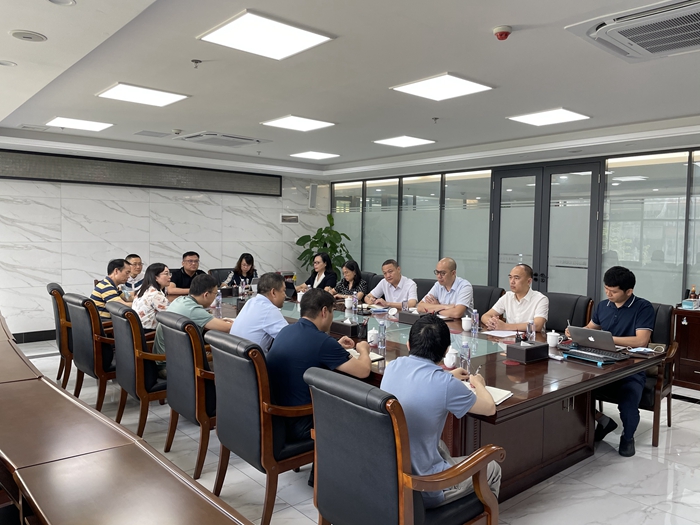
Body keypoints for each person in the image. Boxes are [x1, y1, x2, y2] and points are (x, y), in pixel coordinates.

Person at [380, 315, 501, 508]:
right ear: (446, 351)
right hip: (425, 487)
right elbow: (488, 408)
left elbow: (420, 378)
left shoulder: (393, 365)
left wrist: (447, 376)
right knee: (492, 467)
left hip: (390, 476)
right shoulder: (445, 384)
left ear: (409, 344)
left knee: (441, 446)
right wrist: (479, 384)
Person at [566, 266, 655, 457]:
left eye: (613, 291)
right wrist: (575, 332)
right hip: (601, 364)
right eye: (606, 289)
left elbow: (641, 341)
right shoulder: (603, 306)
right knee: (573, 390)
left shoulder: (643, 307)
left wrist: (608, 339)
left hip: (630, 367)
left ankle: (628, 437)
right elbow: (591, 328)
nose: (608, 294)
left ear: (628, 291)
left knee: (629, 398)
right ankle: (604, 421)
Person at [266, 288, 371, 443]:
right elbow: (364, 371)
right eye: (333, 311)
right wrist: (364, 350)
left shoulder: (286, 331)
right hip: (302, 422)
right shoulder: (322, 342)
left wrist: (335, 346)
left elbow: (307, 349)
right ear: (324, 311)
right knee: (362, 414)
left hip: (278, 418)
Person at [153, 274, 233, 373]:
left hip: (165, 360)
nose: (215, 297)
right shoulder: (193, 310)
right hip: (174, 366)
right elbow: (228, 328)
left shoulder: (180, 300)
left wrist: (220, 322)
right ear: (206, 294)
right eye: (215, 294)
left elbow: (209, 321)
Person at [229, 272, 288, 352]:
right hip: (253, 359)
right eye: (283, 291)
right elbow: (290, 339)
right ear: (273, 292)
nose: (285, 295)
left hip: (235, 356)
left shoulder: (250, 301)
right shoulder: (269, 309)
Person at [481, 264, 548, 333]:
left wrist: (505, 326)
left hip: (532, 338)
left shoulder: (540, 299)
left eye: (516, 278)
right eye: (510, 277)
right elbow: (485, 316)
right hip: (509, 337)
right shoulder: (507, 296)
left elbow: (537, 325)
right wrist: (492, 323)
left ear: (529, 281)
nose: (512, 282)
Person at [132, 263, 171, 331]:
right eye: (166, 274)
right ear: (155, 277)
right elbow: (172, 314)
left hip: (138, 329)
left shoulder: (144, 290)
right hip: (149, 333)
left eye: (169, 274)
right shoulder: (155, 295)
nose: (169, 277)